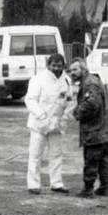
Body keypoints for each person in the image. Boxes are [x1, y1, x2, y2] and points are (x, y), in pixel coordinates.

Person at [25, 53, 75, 195]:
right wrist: (41, 115)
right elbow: (30, 100)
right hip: (39, 123)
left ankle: (56, 183)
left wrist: (65, 118)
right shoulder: (38, 79)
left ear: (63, 66)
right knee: (35, 154)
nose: (56, 68)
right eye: (54, 65)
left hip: (57, 124)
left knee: (56, 154)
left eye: (59, 66)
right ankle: (33, 184)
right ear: (48, 65)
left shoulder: (66, 80)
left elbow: (70, 101)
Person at [69, 58, 108, 198]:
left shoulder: (90, 83)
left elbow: (93, 104)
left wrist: (77, 112)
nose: (72, 73)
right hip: (101, 129)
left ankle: (88, 189)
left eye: (75, 69)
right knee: (103, 160)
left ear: (83, 69)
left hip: (94, 130)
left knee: (91, 159)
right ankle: (104, 187)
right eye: (70, 70)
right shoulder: (91, 81)